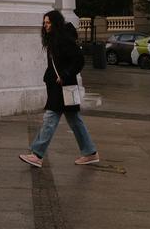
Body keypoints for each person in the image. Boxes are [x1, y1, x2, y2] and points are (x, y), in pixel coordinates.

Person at [19, 10, 99, 168]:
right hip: (62, 86)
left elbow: (79, 60)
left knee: (50, 119)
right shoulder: (55, 39)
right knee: (75, 120)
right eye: (44, 23)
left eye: (48, 23)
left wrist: (64, 74)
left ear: (55, 23)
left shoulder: (63, 39)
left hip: (64, 86)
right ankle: (90, 153)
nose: (45, 26)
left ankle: (37, 154)